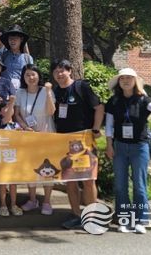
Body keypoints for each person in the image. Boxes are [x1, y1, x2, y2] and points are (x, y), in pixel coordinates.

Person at [105, 69, 151, 234]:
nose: (125, 81)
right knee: (120, 185)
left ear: (135, 81)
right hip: (120, 147)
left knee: (139, 185)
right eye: (122, 78)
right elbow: (109, 125)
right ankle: (124, 220)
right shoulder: (114, 101)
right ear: (118, 82)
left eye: (129, 78)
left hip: (140, 147)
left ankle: (141, 220)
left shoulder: (143, 99)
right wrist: (109, 145)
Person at [51, 59, 104, 230]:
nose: (59, 74)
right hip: (63, 140)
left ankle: (93, 217)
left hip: (84, 139)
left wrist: (96, 129)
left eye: (62, 70)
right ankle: (75, 215)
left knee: (88, 180)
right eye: (56, 71)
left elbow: (99, 108)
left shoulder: (81, 87)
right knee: (70, 181)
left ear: (69, 71)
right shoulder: (55, 92)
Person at [14, 64, 56, 216]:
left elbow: (51, 111)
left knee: (48, 169)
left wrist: (49, 92)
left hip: (46, 136)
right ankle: (32, 200)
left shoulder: (46, 91)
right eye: (27, 75)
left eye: (33, 74)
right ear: (23, 77)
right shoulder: (20, 92)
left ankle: (47, 201)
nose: (30, 78)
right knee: (30, 168)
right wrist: (25, 127)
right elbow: (17, 114)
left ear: (38, 75)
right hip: (29, 137)